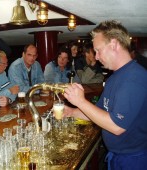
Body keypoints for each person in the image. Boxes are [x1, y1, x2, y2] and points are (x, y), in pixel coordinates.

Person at [63, 20, 147, 170]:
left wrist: (80, 101)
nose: (96, 57)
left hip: (134, 159)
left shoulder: (135, 77)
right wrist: (71, 112)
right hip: (118, 156)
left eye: (98, 50)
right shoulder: (114, 77)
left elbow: (116, 126)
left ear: (113, 44)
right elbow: (99, 111)